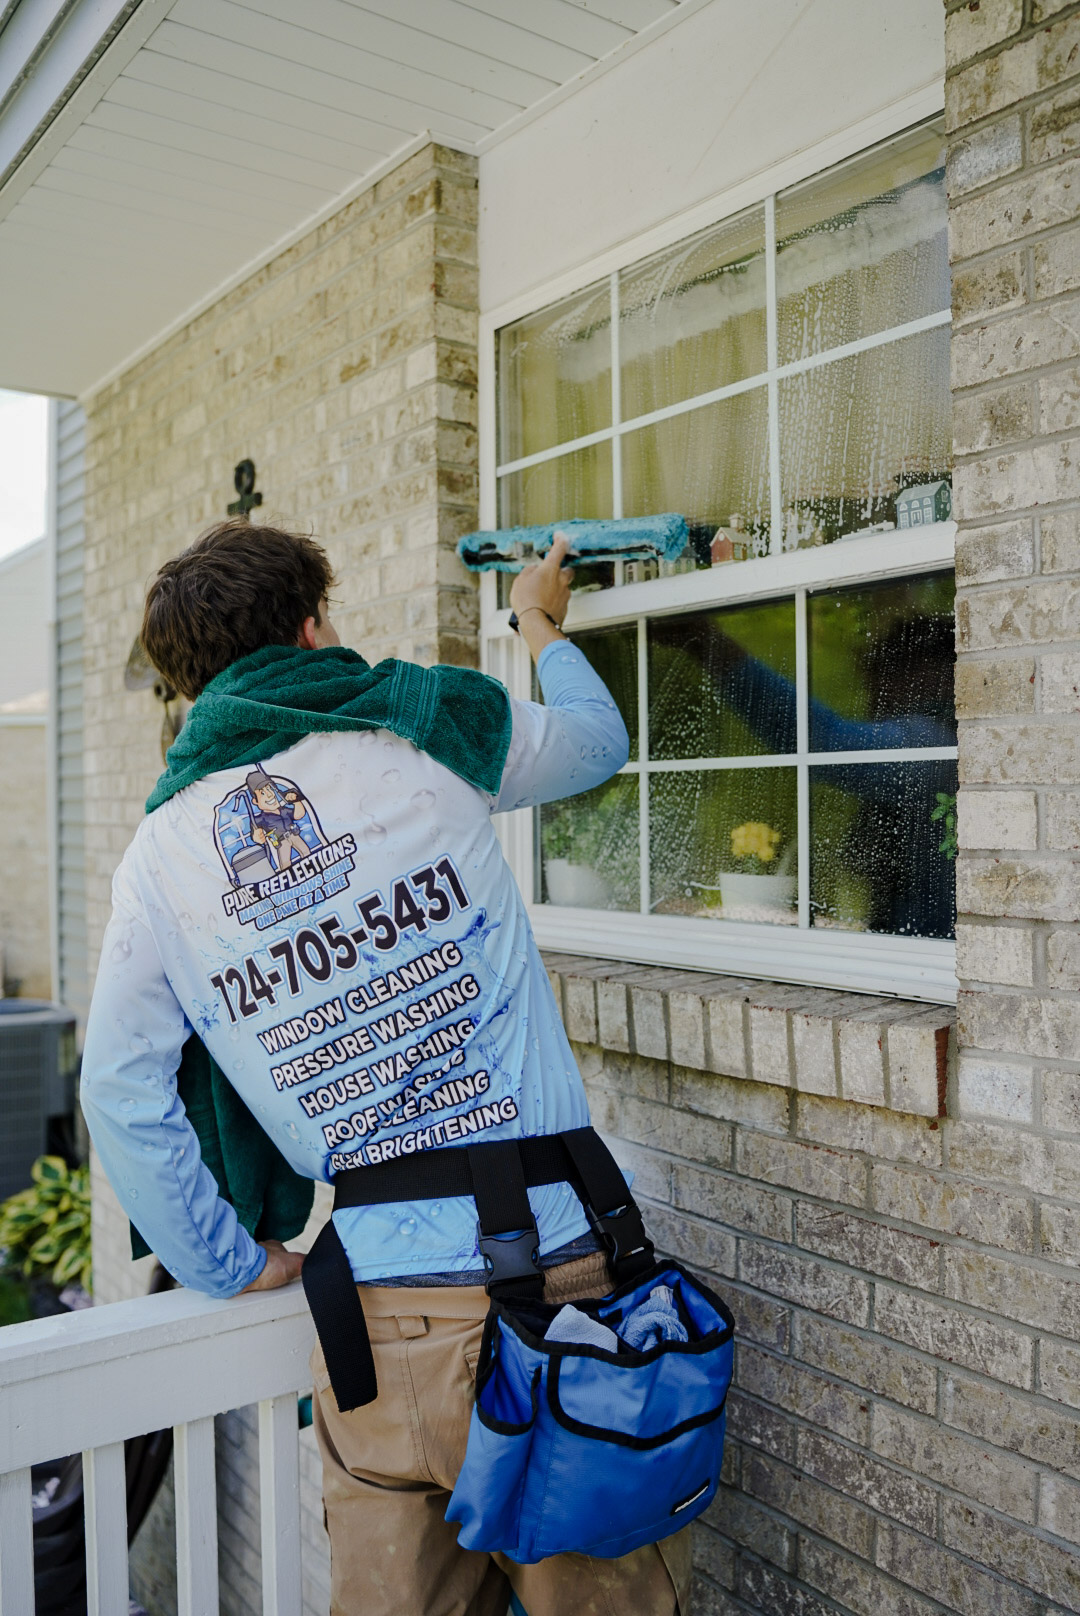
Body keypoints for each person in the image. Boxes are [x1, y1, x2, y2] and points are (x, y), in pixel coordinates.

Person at [80, 519, 690, 1616]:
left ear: (187, 687)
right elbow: (597, 742)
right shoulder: (422, 728)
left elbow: (118, 1088)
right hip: (559, 1293)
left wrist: (229, 1260)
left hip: (377, 1325)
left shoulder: (160, 858)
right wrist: (538, 621)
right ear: (312, 627)